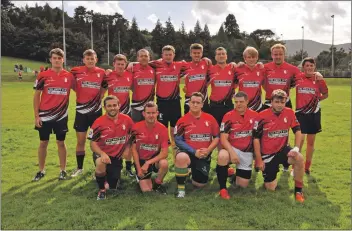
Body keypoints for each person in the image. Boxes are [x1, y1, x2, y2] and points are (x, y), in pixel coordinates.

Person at [253, 89, 305, 203]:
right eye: (277, 102)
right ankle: (272, 170)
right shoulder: (261, 116)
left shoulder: (290, 112)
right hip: (267, 154)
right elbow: (256, 139)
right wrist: (259, 160)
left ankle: (298, 191)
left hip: (283, 149)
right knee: (270, 188)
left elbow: (297, 130)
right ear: (271, 102)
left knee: (299, 158)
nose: (280, 105)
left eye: (282, 102)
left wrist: (296, 148)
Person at [32, 48, 74, 181]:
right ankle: (41, 170)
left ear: (63, 60)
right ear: (50, 60)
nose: (57, 60)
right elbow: (36, 96)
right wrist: (36, 116)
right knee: (43, 142)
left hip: (61, 116)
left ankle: (63, 170)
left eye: (59, 58)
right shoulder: (43, 75)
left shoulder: (69, 76)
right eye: (54, 58)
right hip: (44, 115)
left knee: (60, 142)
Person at [69, 49, 107, 177]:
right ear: (83, 60)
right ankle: (79, 168)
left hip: (96, 112)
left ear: (96, 60)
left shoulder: (101, 72)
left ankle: (99, 167)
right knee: (81, 141)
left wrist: (100, 96)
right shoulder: (76, 71)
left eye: (93, 58)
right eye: (88, 58)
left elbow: (104, 86)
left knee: (97, 141)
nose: (90, 61)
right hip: (81, 111)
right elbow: (71, 84)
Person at [174, 92, 219, 198]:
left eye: (197, 102)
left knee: (199, 185)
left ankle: (190, 172)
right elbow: (178, 140)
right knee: (181, 157)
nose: (195, 104)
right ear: (188, 103)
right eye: (193, 102)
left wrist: (208, 150)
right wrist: (194, 152)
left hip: (203, 154)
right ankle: (181, 189)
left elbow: (217, 137)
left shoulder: (210, 119)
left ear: (202, 104)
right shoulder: (182, 120)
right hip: (189, 153)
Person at [88, 95, 134, 200]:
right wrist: (102, 153)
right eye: (109, 106)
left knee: (112, 186)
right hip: (103, 154)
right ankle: (101, 191)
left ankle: (103, 177)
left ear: (119, 106)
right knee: (100, 163)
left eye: (114, 105)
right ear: (104, 107)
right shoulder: (98, 122)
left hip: (116, 157)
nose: (112, 108)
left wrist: (127, 148)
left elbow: (133, 136)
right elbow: (93, 144)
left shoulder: (127, 120)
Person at [216, 91, 259, 199]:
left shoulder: (255, 116)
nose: (238, 104)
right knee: (222, 155)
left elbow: (258, 137)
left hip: (246, 152)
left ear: (247, 102)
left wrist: (257, 155)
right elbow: (223, 138)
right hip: (232, 149)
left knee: (242, 185)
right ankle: (222, 188)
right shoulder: (228, 116)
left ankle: (234, 177)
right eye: (236, 102)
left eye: (241, 102)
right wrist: (232, 153)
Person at [295, 57, 328, 175]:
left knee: (311, 142)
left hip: (314, 113)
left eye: (311, 66)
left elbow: (326, 94)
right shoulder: (298, 77)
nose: (309, 68)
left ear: (314, 67)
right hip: (300, 113)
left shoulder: (319, 79)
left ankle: (307, 166)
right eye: (307, 65)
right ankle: (296, 166)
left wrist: (316, 100)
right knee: (300, 140)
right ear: (303, 67)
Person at [104, 54, 134, 177]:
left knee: (129, 141)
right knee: (114, 140)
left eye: (123, 64)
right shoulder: (108, 76)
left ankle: (128, 167)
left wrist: (134, 63)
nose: (120, 66)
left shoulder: (130, 75)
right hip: (112, 115)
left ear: (126, 65)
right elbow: (101, 91)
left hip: (127, 113)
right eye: (118, 64)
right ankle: (115, 164)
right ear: (114, 64)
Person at [131, 101, 169, 194]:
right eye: (148, 113)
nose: (151, 115)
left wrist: (148, 162)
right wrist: (139, 168)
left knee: (164, 163)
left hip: (154, 160)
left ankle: (157, 183)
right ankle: (139, 176)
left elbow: (165, 153)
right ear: (144, 114)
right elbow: (134, 150)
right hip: (141, 160)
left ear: (157, 113)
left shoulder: (163, 128)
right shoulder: (136, 128)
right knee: (147, 190)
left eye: (153, 113)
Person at [182, 43, 211, 114]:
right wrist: (184, 88)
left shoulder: (206, 63)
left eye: (199, 53)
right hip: (189, 99)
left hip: (203, 99)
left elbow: (212, 76)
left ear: (202, 53)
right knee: (189, 122)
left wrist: (206, 85)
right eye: (194, 53)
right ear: (190, 54)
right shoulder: (185, 66)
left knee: (204, 122)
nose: (196, 55)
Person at [234, 47, 265, 112]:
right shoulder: (238, 69)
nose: (251, 59)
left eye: (253, 57)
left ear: (257, 58)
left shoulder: (261, 69)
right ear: (245, 58)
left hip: (257, 106)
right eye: (249, 57)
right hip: (242, 105)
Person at [129, 49, 156, 123]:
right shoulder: (132, 68)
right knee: (135, 130)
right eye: (141, 56)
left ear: (149, 58)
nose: (144, 58)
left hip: (149, 107)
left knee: (149, 130)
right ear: (138, 58)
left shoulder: (154, 69)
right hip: (136, 106)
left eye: (146, 56)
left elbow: (163, 60)